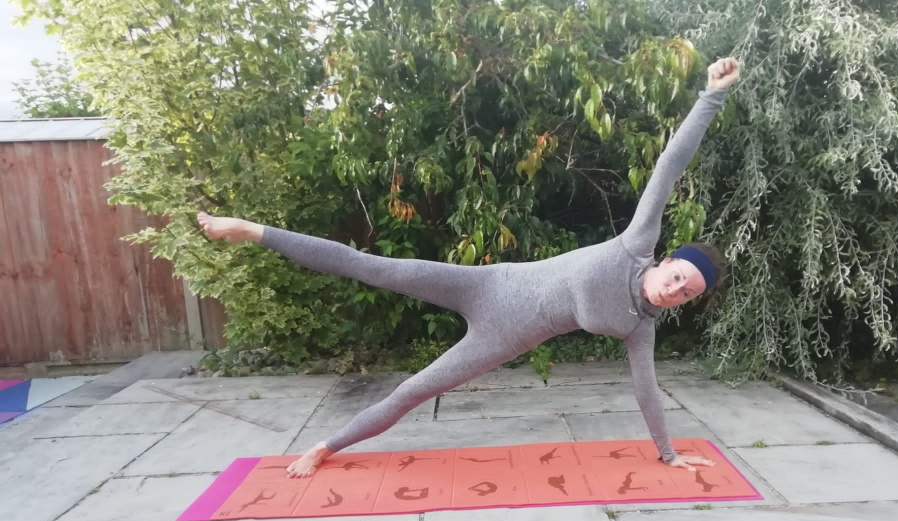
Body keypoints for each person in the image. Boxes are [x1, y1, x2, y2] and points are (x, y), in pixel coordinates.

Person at [198, 57, 741, 478]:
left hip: (504, 337)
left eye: (686, 293)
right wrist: (711, 97)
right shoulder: (635, 244)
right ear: (666, 260)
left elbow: (647, 393)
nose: (675, 289)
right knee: (371, 267)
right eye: (677, 275)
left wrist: (668, 455)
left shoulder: (638, 328)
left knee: (414, 390)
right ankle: (251, 229)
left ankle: (324, 446)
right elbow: (669, 167)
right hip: (486, 283)